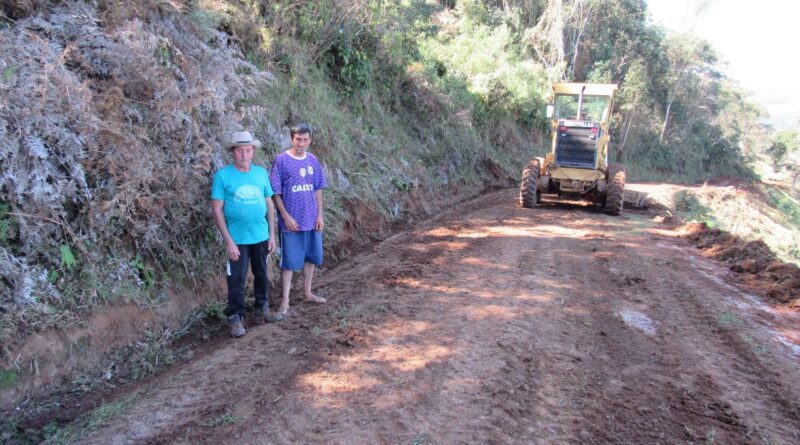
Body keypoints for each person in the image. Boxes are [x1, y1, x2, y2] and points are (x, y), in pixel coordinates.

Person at [211, 130, 281, 338]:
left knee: (262, 275)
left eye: (248, 150)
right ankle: (235, 318)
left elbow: (269, 204)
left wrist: (272, 235)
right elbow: (217, 210)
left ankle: (263, 309)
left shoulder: (260, 174)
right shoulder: (223, 176)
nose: (244, 154)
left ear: (253, 152)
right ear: (233, 152)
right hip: (237, 240)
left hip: (260, 236)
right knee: (237, 279)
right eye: (240, 151)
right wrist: (229, 242)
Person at [270, 123, 328, 317]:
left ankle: (307, 292)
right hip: (291, 223)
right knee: (289, 262)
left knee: (311, 257)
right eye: (298, 139)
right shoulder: (281, 160)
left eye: (305, 140)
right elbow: (276, 193)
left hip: (312, 220)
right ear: (291, 139)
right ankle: (285, 301)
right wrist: (285, 217)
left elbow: (317, 188)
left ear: (310, 140)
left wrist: (320, 215)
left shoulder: (313, 160)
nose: (301, 143)